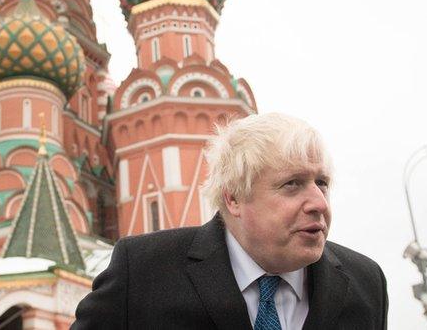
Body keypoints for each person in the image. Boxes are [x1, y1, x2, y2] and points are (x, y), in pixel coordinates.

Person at [72, 112, 387, 329]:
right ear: (233, 198)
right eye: (292, 184)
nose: (319, 203)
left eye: (322, 182)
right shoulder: (143, 272)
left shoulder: (365, 282)